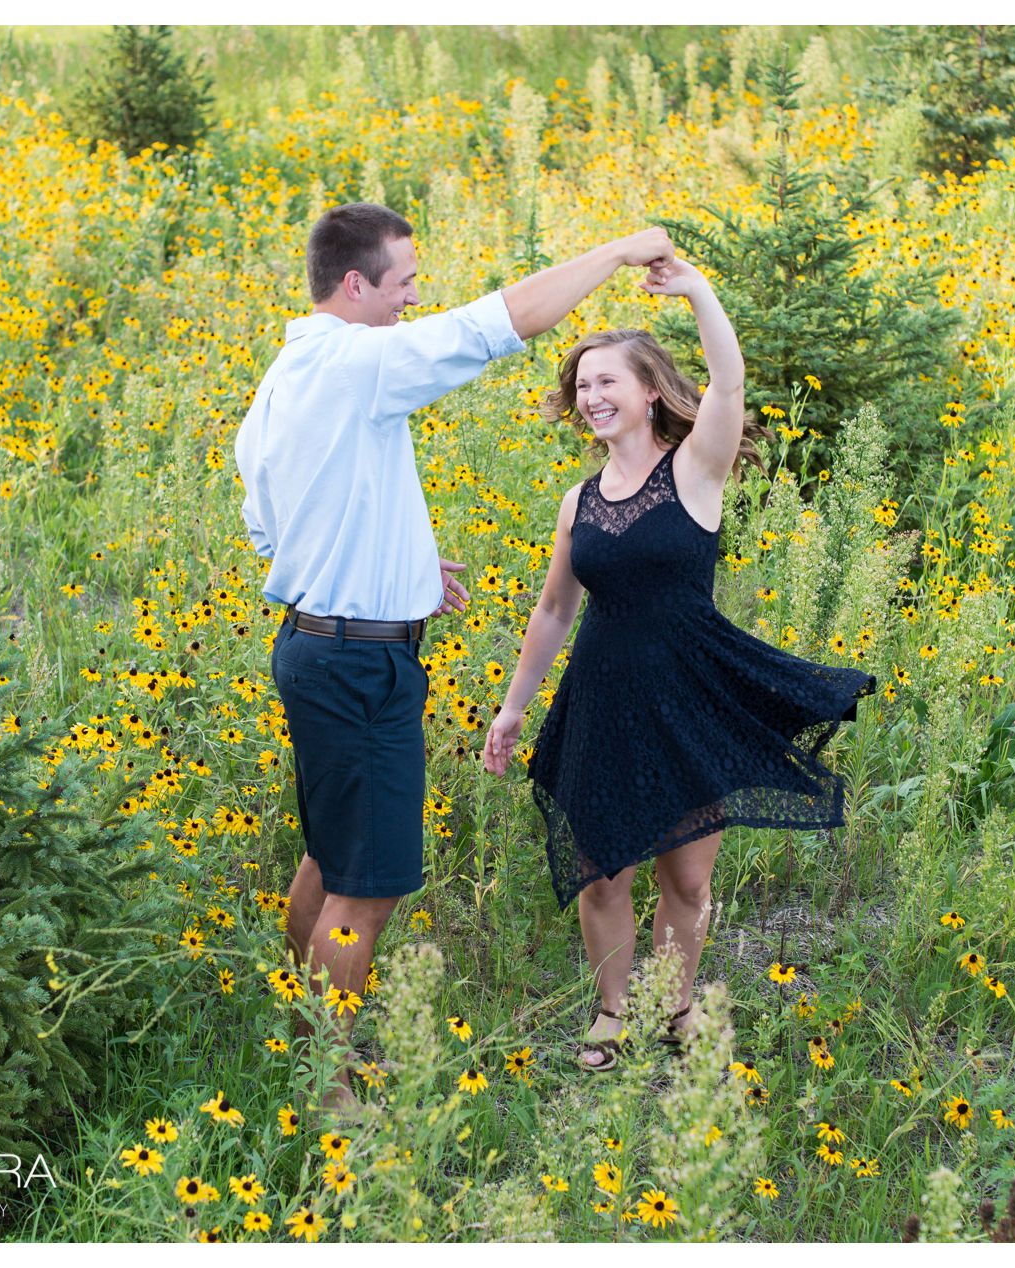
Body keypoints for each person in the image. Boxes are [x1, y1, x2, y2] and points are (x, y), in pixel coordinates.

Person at [235, 203, 674, 1115]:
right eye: (402, 284)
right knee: (366, 886)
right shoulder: (358, 360)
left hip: (319, 647)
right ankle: (331, 1089)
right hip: (358, 668)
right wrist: (619, 251)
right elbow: (498, 324)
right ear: (354, 286)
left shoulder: (287, 373)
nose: (412, 299)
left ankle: (314, 1031)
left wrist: (393, 565)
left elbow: (270, 520)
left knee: (327, 853)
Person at [481, 255, 875, 1071]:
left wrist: (697, 291)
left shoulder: (694, 471)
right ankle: (611, 1013)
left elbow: (728, 388)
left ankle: (678, 1006)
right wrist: (514, 707)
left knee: (687, 882)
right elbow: (555, 609)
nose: (591, 397)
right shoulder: (578, 502)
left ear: (650, 390)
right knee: (602, 875)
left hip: (689, 694)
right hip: (601, 697)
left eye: (607, 382)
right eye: (581, 384)